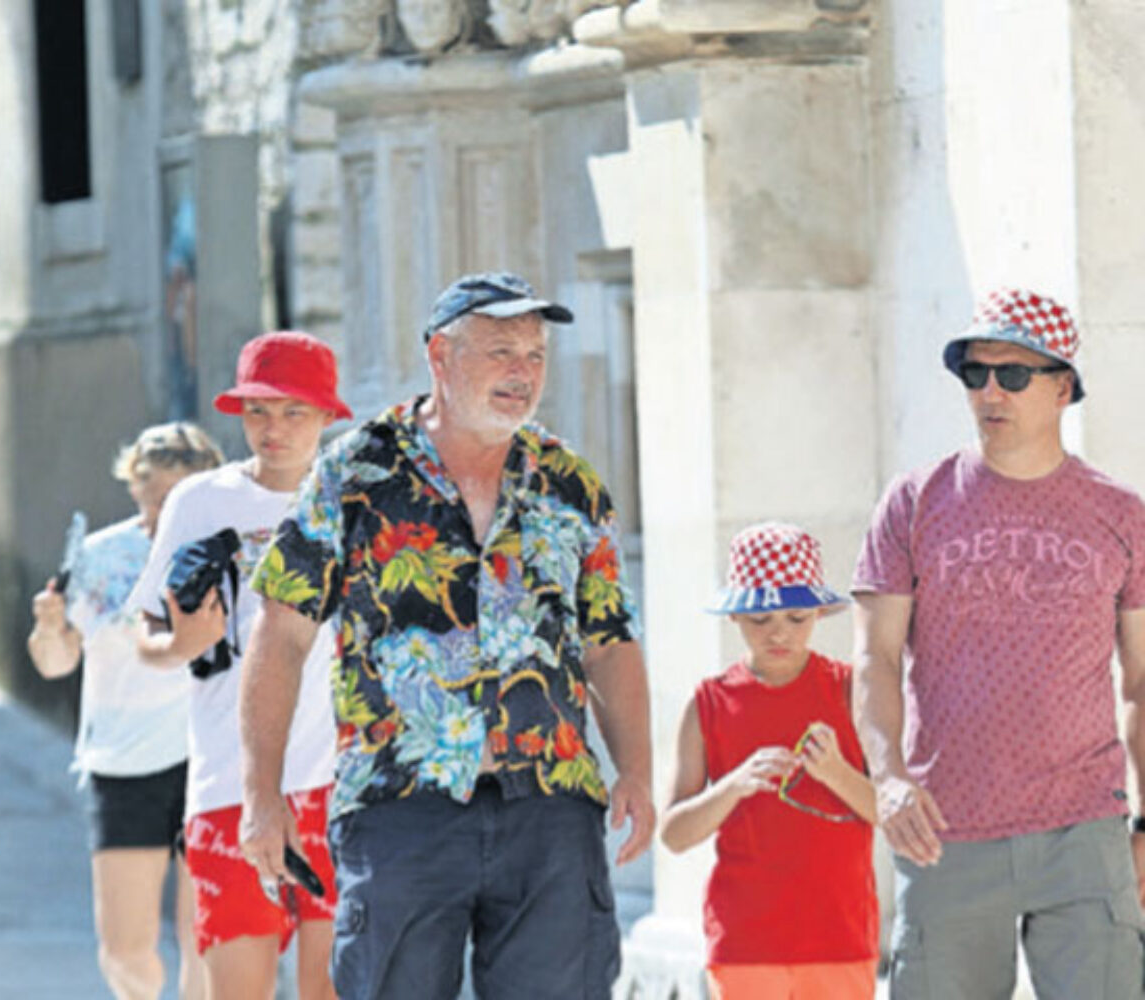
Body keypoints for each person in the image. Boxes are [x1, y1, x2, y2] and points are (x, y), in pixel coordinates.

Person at [239, 271, 652, 999]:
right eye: (501, 352)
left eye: (534, 355)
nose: (522, 373)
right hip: (401, 806)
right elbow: (281, 637)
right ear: (440, 355)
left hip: (550, 806)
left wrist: (638, 772)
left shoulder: (570, 484)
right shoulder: (357, 473)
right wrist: (260, 793)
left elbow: (609, 641)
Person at [852, 288, 1145, 997]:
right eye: (975, 372)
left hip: (1085, 830)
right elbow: (875, 659)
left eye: (1012, 374)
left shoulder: (1122, 515)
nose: (990, 392)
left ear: (1062, 388)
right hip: (943, 830)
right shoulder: (913, 502)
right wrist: (889, 778)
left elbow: (1140, 682)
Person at [126, 332, 349, 999]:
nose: (273, 428)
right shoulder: (201, 500)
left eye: (293, 411)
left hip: (344, 787)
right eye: (258, 411)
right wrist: (182, 644)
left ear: (327, 414)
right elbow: (147, 634)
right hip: (230, 784)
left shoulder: (356, 500)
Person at [28, 421, 224, 1000]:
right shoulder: (98, 555)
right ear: (134, 486)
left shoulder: (234, 552)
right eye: (158, 496)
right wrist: (49, 627)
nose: (170, 511)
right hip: (121, 764)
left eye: (185, 497)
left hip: (212, 761)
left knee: (206, 940)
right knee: (123, 950)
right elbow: (55, 664)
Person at [660, 522, 879, 999]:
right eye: (761, 620)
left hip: (840, 940)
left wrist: (836, 773)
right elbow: (673, 834)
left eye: (797, 618)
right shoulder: (708, 704)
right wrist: (734, 785)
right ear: (736, 616)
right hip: (745, 946)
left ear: (819, 613)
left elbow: (892, 811)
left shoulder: (849, 692)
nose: (779, 633)